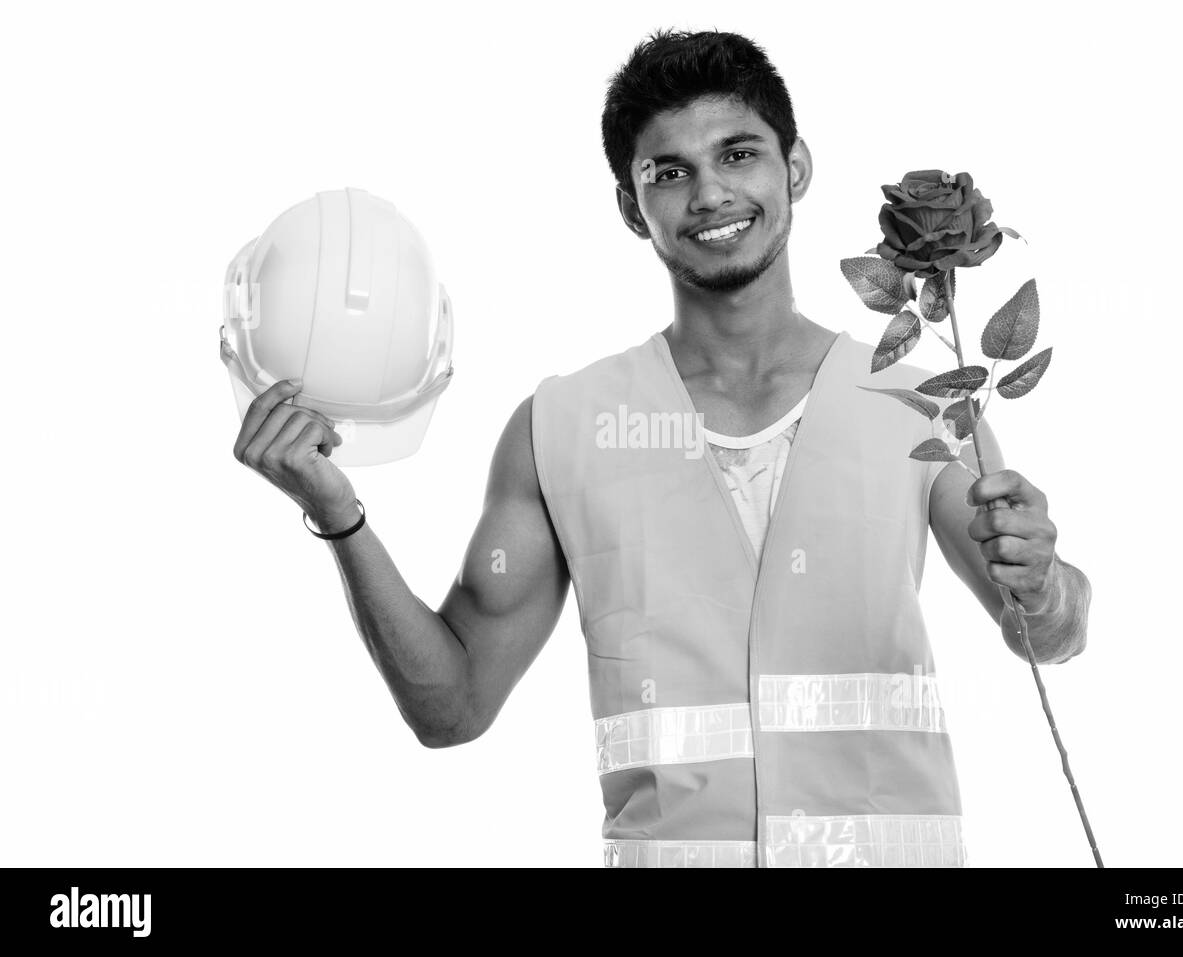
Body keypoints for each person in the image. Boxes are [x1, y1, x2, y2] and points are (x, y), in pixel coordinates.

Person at [231, 28, 1091, 868]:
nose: (710, 193)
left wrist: (1044, 582)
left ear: (795, 168)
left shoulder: (920, 398)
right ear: (630, 208)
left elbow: (1051, 632)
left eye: (739, 154)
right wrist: (339, 517)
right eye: (668, 171)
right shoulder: (560, 428)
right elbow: (450, 707)